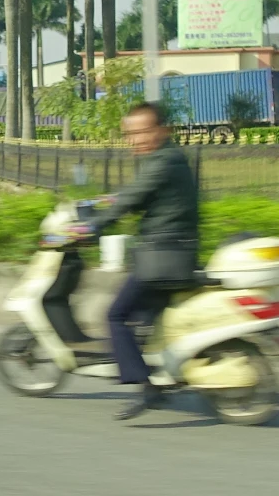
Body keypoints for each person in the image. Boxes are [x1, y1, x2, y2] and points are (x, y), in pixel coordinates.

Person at [83, 101, 200, 420]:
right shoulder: (165, 159)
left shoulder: (164, 161)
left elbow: (133, 197)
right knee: (146, 318)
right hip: (171, 250)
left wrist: (93, 225)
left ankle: (147, 387)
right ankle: (166, 371)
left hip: (164, 255)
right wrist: (102, 203)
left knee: (116, 315)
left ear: (163, 130)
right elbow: (135, 194)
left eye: (144, 131)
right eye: (130, 134)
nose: (136, 139)